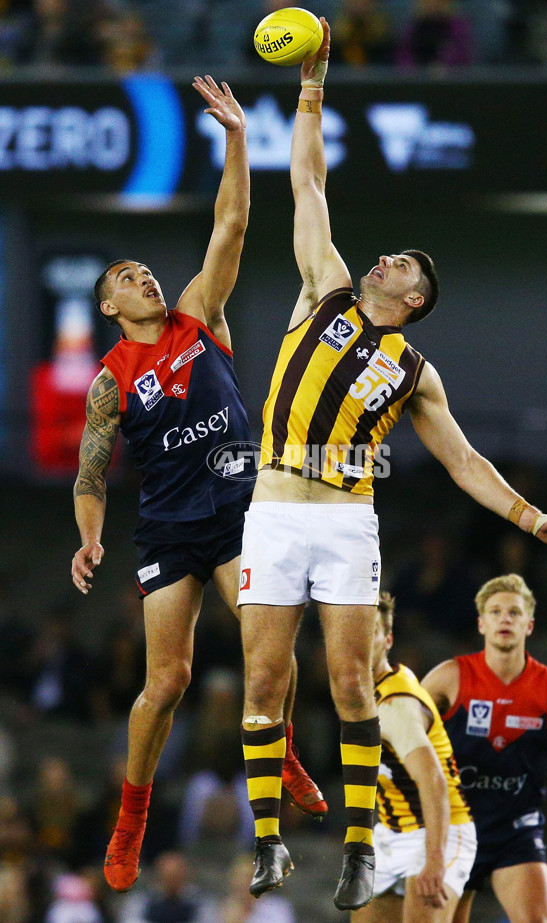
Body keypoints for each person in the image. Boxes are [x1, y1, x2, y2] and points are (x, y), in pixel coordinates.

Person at [236, 17, 547, 914]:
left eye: (401, 264)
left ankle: (359, 849)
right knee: (266, 683)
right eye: (387, 255)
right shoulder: (324, 289)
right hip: (274, 508)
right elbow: (308, 178)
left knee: (355, 682)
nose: (384, 257)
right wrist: (313, 83)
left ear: (415, 299)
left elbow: (465, 459)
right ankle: (270, 840)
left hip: (349, 513)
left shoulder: (417, 374)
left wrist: (529, 518)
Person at [70, 75, 326, 895]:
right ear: (108, 305)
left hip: (240, 509)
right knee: (168, 680)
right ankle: (132, 818)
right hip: (169, 527)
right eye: (126, 275)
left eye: (145, 267)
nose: (144, 276)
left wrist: (237, 136)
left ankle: (279, 750)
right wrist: (88, 534)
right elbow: (90, 470)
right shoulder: (109, 379)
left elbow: (233, 221)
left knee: (270, 653)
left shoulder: (194, 315)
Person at [421, 573, 547, 923]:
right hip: (455, 828)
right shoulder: (449, 677)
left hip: (516, 831)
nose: (505, 618)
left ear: (529, 625)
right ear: (481, 623)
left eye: (514, 613)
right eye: (496, 611)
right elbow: (407, 736)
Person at [352, 591, 476, 922]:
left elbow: (433, 780)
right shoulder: (360, 694)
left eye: (372, 630)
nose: (360, 638)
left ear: (388, 639)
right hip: (393, 833)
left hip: (437, 832)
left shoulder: (395, 705)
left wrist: (435, 858)